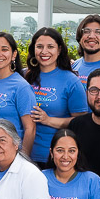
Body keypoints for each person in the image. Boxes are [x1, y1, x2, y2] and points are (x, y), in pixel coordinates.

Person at [25, 27, 88, 164]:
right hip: (23, 154)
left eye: (50, 47)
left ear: (59, 50)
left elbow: (82, 122)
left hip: (54, 158)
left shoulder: (71, 81)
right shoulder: (24, 76)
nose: (44, 51)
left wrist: (48, 120)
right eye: (39, 46)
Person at [0, 32, 36, 154]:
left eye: (4, 49)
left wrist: (22, 160)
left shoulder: (22, 87)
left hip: (10, 157)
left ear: (14, 54)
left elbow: (30, 128)